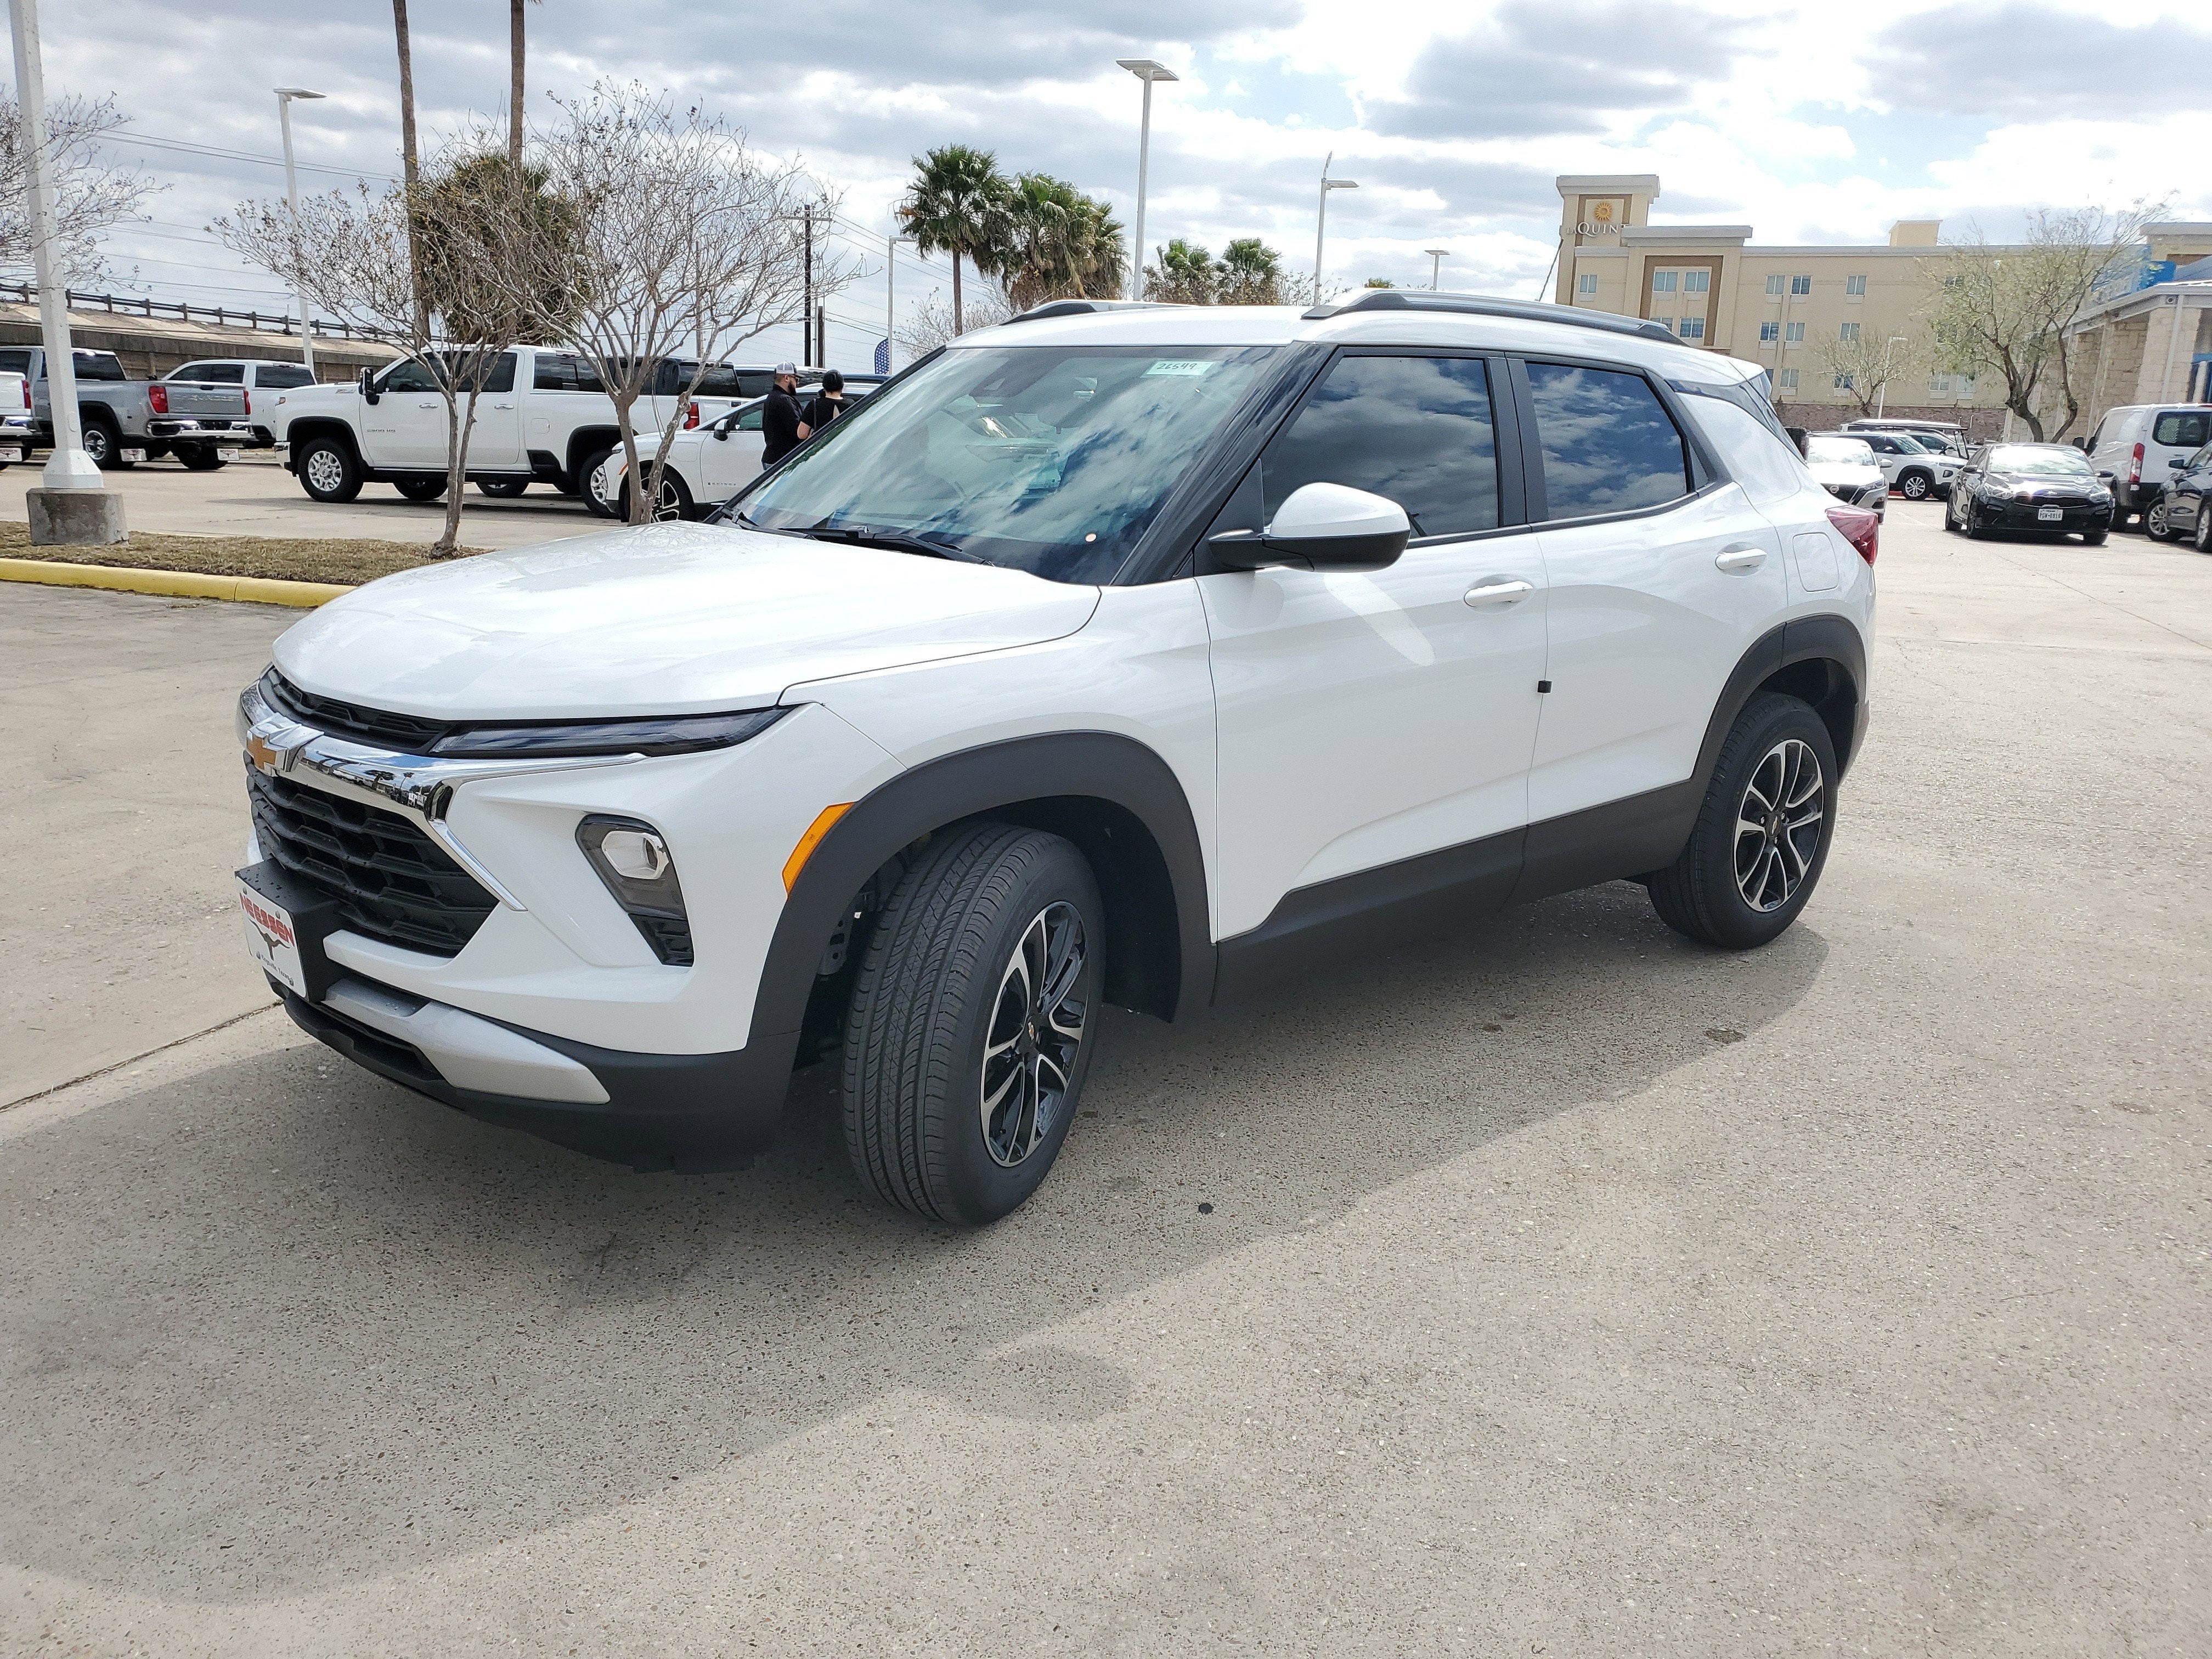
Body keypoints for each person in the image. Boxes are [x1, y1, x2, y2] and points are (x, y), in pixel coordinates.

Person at [760, 363, 809, 466]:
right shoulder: (784, 400)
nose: (797, 383)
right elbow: (797, 431)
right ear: (787, 378)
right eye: (796, 379)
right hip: (782, 461)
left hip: (774, 458)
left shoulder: (773, 397)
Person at [804, 370, 849, 436]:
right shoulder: (851, 404)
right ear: (842, 387)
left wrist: (812, 432)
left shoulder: (815, 404)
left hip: (823, 445)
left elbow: (801, 434)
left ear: (824, 387)